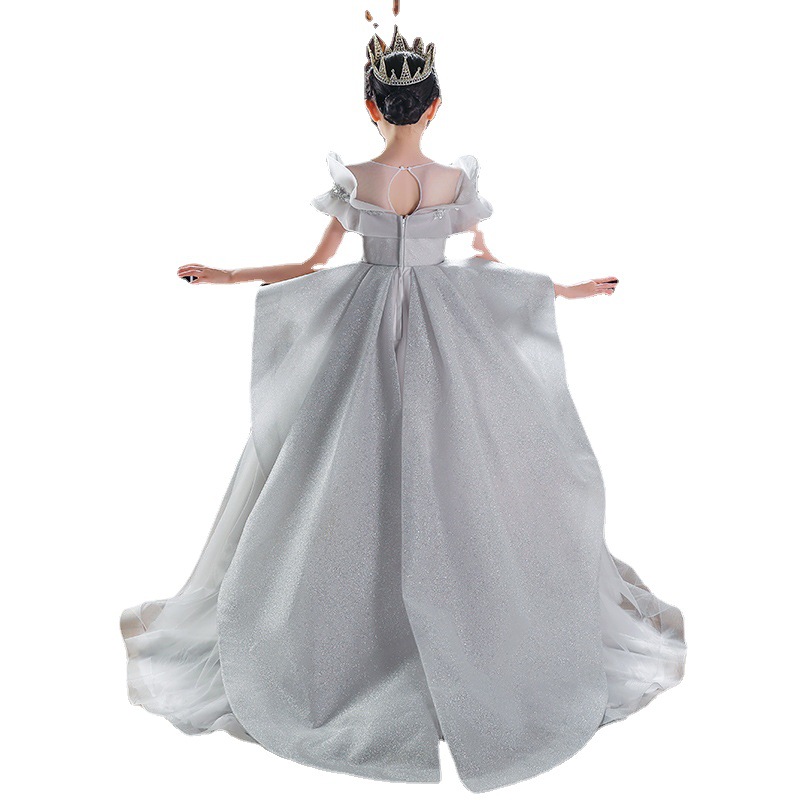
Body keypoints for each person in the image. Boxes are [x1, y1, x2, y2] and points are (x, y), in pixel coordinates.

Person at [121, 24, 686, 794]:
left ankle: (357, 630)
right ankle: (440, 622)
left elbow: (312, 264)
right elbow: (490, 264)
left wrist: (228, 276)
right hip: (444, 326)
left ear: (370, 106)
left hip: (365, 326)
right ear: (436, 104)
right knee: (459, 461)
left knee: (339, 465)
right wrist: (562, 290)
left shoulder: (358, 179)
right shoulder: (452, 181)